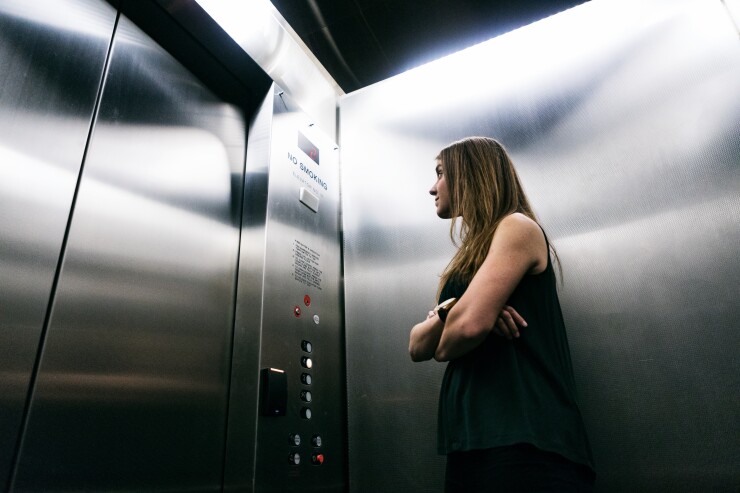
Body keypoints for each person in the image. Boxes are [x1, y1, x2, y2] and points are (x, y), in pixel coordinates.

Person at [408, 137, 595, 492]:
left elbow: (455, 338)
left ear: (470, 174)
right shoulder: (466, 259)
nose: (433, 188)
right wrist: (456, 309)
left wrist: (462, 317)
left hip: (527, 444)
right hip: (472, 444)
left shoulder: (516, 227)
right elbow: (416, 345)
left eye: (441, 173)